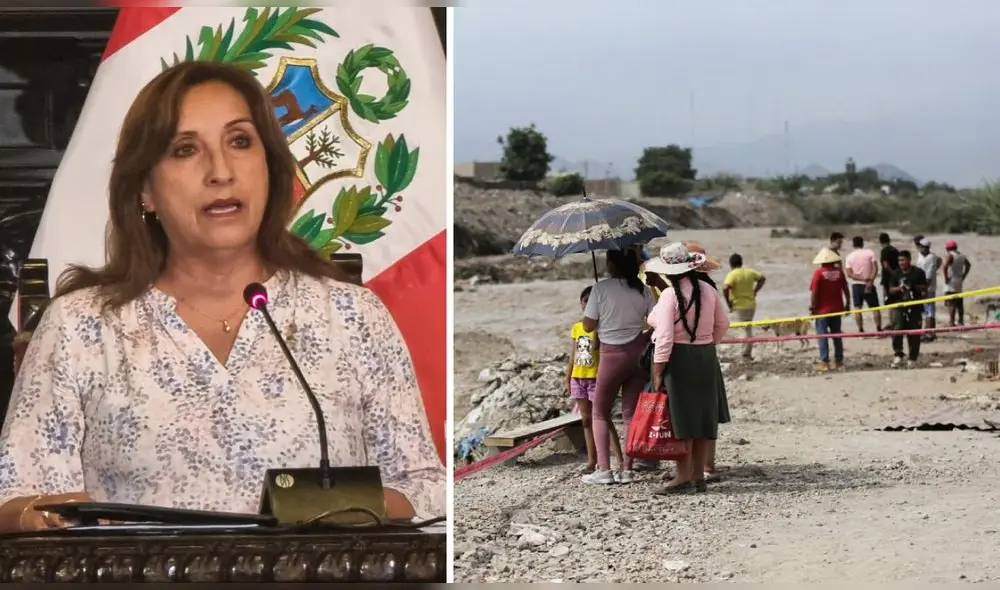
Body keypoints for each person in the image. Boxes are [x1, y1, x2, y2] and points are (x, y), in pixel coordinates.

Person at [0, 62, 444, 532]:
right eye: (185, 150)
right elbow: (16, 497)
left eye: (240, 142)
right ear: (145, 190)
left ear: (270, 167)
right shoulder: (80, 325)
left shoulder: (353, 315)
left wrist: (339, 507)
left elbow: (427, 488)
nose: (221, 172)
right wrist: (40, 517)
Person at [643, 243, 729, 495]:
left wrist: (658, 371)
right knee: (702, 420)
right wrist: (706, 343)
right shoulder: (707, 289)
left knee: (681, 421)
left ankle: (682, 477)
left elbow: (665, 337)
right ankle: (697, 475)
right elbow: (723, 323)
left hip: (678, 359)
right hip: (705, 357)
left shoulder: (670, 295)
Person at [581, 249, 655, 485]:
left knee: (600, 412)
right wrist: (643, 337)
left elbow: (587, 326)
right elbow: (658, 320)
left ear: (611, 264)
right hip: (637, 355)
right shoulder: (642, 289)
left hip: (611, 356)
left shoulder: (600, 289)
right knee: (630, 414)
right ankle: (628, 469)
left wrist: (596, 309)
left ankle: (604, 469)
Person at [565, 286, 613, 473]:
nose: (587, 305)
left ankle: (610, 459)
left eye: (591, 302)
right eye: (585, 302)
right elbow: (573, 355)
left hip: (596, 378)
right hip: (579, 377)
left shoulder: (603, 328)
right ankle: (592, 461)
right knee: (586, 420)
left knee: (602, 418)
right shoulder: (577, 327)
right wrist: (567, 378)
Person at [809, 248, 850, 372]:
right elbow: (846, 290)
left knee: (822, 335)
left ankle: (824, 361)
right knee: (837, 335)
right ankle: (839, 361)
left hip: (822, 310)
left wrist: (813, 307)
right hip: (837, 308)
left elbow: (814, 292)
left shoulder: (819, 273)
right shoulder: (839, 273)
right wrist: (848, 305)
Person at [886, 250, 928, 367]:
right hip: (900, 305)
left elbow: (924, 287)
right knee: (897, 330)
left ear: (909, 260)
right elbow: (890, 289)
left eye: (903, 260)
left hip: (915, 306)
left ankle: (912, 358)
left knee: (914, 333)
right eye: (899, 260)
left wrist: (912, 287)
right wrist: (899, 288)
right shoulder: (895, 273)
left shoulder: (918, 272)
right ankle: (898, 355)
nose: (901, 263)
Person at [722, 253, 766, 361]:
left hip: (739, 305)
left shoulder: (732, 274)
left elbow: (725, 288)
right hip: (751, 304)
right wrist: (755, 291)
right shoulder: (749, 272)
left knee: (743, 330)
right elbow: (762, 278)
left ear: (731, 264)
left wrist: (728, 303)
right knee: (748, 329)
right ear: (741, 263)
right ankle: (747, 352)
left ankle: (745, 353)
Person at [844, 236, 882, 332]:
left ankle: (861, 330)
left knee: (858, 308)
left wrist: (861, 278)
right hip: (869, 283)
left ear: (853, 244)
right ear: (862, 243)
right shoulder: (870, 253)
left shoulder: (849, 256)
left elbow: (849, 274)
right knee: (875, 308)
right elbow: (875, 268)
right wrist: (870, 280)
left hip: (857, 284)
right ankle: (878, 329)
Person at [915, 238, 942, 341]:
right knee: (925, 310)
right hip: (920, 286)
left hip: (928, 288)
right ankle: (927, 331)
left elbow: (929, 277)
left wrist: (924, 289)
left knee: (930, 311)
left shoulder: (931, 258)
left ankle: (930, 332)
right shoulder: (920, 256)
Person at [943, 239, 972, 326]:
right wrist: (964, 275)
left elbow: (944, 267)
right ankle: (960, 321)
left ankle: (951, 322)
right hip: (959, 280)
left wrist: (946, 278)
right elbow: (968, 265)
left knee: (950, 302)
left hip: (951, 280)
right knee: (959, 301)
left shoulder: (950, 255)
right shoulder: (961, 255)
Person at [878, 233, 900, 304]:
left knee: (888, 300)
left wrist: (892, 273)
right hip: (897, 276)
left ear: (880, 241)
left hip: (888, 277)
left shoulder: (884, 251)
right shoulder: (895, 250)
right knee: (895, 298)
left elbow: (886, 265)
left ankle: (891, 315)